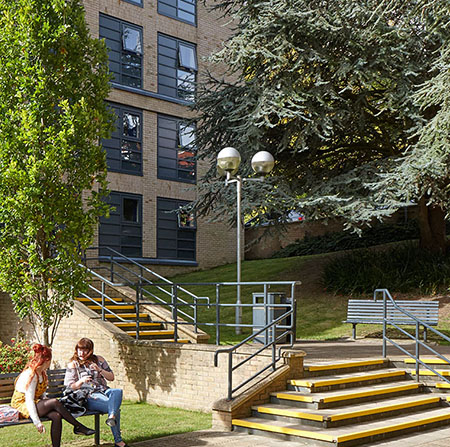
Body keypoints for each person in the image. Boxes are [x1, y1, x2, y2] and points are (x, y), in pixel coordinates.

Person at [10, 343, 95, 447]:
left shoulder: (42, 373)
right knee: (54, 402)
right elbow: (29, 400)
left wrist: (45, 401)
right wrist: (37, 422)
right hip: (22, 405)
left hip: (34, 402)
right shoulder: (31, 375)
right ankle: (78, 426)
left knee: (56, 416)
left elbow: (40, 394)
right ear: (46, 360)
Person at [64, 338, 128, 447]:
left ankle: (111, 416)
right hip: (89, 395)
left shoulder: (99, 360)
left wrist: (99, 370)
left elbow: (111, 377)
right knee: (114, 408)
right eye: (79, 350)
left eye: (85, 350)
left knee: (117, 391)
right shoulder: (73, 364)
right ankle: (118, 441)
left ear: (90, 351)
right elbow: (69, 386)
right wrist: (81, 381)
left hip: (104, 390)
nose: (81, 353)